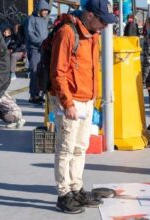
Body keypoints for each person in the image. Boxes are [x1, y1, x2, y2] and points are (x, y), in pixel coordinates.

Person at [49, 0, 117, 214]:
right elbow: (58, 71)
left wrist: (93, 98)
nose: (105, 25)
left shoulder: (93, 34)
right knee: (66, 148)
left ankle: (76, 188)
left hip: (86, 99)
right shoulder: (68, 33)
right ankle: (64, 193)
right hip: (70, 100)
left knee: (80, 147)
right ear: (89, 15)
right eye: (102, 20)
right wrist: (67, 102)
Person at [25, 0, 51, 105]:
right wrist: (40, 42)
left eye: (47, 11)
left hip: (43, 49)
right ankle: (33, 95)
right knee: (34, 71)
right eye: (44, 10)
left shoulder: (44, 20)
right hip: (34, 49)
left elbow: (46, 33)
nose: (45, 12)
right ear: (39, 9)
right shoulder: (31, 19)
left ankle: (39, 94)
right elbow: (30, 34)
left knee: (42, 72)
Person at [0, 30, 25, 128]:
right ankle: (12, 117)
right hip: (3, 71)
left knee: (1, 96)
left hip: (2, 72)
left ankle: (17, 116)